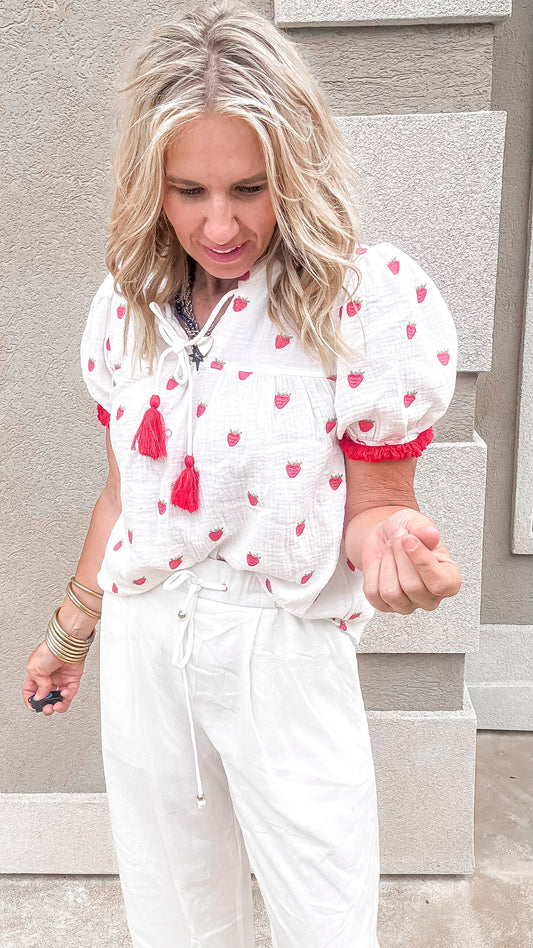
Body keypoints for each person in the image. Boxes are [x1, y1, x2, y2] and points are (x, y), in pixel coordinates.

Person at [22, 1, 462, 945]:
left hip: (280, 646)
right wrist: (71, 627)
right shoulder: (125, 308)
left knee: (324, 914)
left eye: (249, 188)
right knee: (172, 912)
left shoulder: (359, 305)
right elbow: (121, 495)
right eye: (188, 191)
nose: (219, 224)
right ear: (153, 185)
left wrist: (388, 540)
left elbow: (380, 501)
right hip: (145, 641)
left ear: (293, 172)